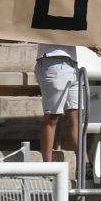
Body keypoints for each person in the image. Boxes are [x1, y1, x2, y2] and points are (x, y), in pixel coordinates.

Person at [36, 41, 81, 174]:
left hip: (72, 63)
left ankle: (85, 163)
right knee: (52, 116)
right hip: (52, 61)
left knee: (75, 116)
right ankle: (48, 166)